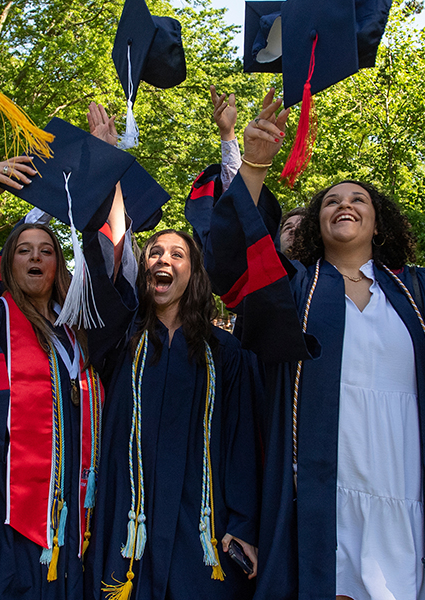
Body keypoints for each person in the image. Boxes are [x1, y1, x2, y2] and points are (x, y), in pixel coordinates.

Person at [204, 89, 425, 600]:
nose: (344, 204)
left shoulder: (423, 292)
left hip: (403, 478)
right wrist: (252, 164)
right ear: (316, 224)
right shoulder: (294, 290)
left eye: (357, 198)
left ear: (377, 220)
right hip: (318, 491)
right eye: (331, 201)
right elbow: (229, 265)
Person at [0, 103, 138, 599]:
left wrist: (105, 164)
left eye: (47, 250)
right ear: (6, 263)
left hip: (75, 505)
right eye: (24, 250)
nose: (37, 256)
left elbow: (113, 281)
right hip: (5, 494)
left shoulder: (78, 331)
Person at [91, 229, 262, 600]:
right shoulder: (121, 343)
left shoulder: (223, 351)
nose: (163, 260)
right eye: (154, 253)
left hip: (201, 519)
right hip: (126, 513)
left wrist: (244, 523)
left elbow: (242, 440)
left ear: (194, 273)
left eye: (177, 254)